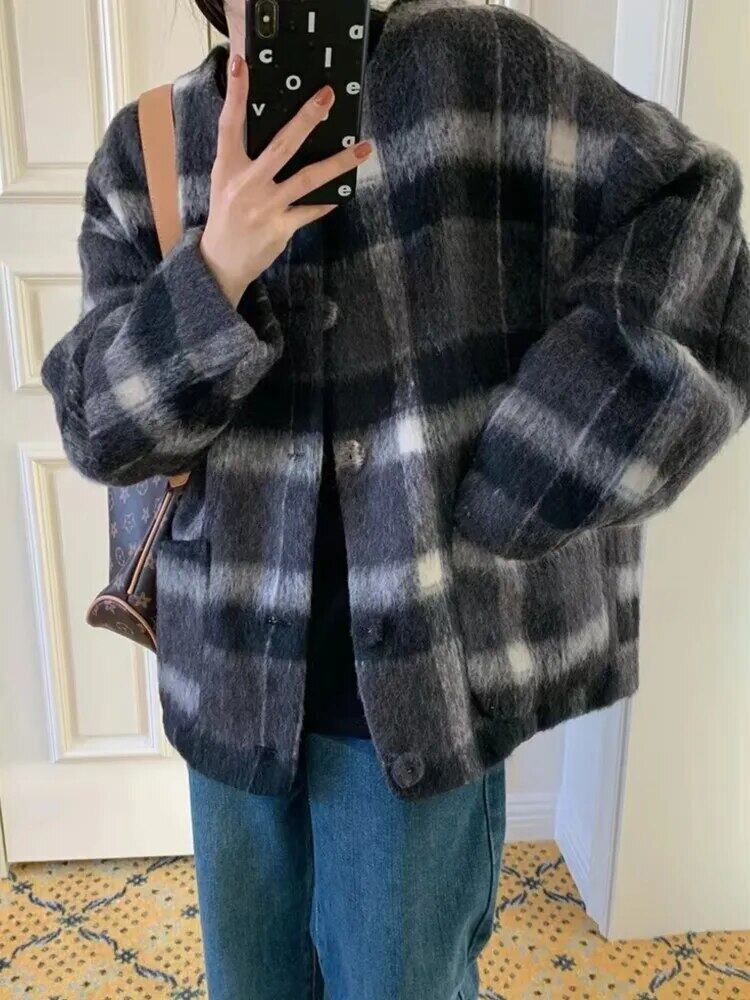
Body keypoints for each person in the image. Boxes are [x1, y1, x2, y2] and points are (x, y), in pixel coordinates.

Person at [40, 0, 749, 997]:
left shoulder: (487, 72)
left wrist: (535, 472)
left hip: (423, 677)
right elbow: (101, 429)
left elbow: (694, 226)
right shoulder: (148, 148)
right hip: (230, 679)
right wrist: (216, 267)